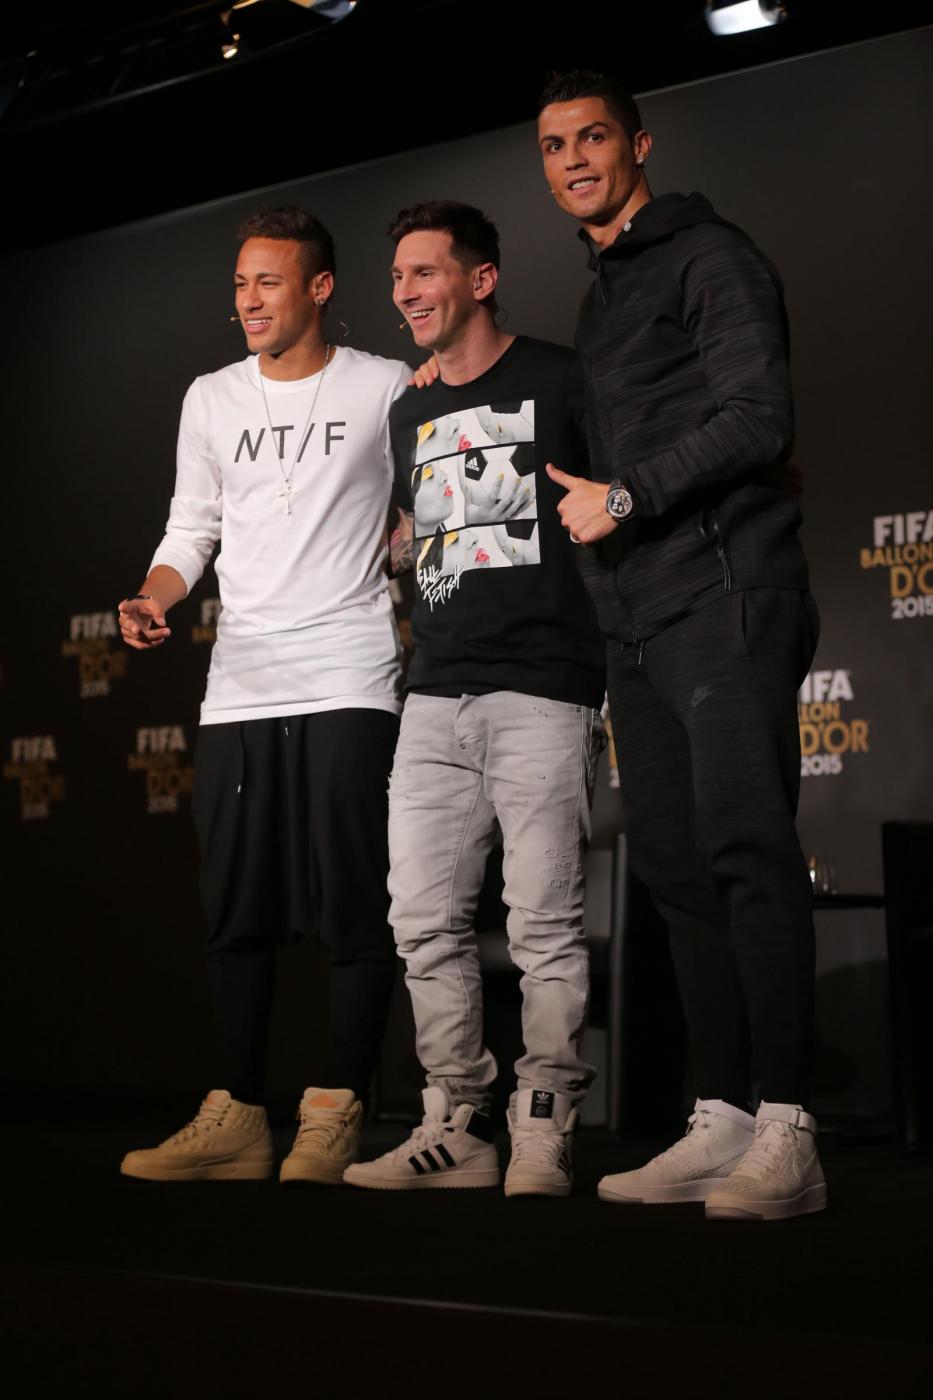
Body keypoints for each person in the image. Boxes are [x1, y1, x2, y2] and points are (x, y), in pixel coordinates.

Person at [536, 72, 826, 1220]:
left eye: (592, 137)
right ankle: (723, 1115)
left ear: (639, 143)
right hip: (639, 615)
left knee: (748, 844)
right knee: (672, 862)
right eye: (554, 146)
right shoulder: (600, 297)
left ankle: (790, 1124)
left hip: (725, 584)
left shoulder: (712, 255)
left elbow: (759, 415)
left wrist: (628, 495)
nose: (573, 160)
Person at [118, 206, 412, 1186]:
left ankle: (336, 1108)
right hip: (240, 685)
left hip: (349, 673)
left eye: (269, 282)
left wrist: (404, 541)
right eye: (241, 282)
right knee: (234, 909)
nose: (248, 300)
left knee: (355, 904)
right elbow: (190, 526)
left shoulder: (382, 384)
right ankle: (239, 1110)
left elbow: (427, 500)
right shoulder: (211, 397)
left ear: (319, 287)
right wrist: (155, 595)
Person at [343, 201, 606, 1197]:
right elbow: (424, 530)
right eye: (397, 276)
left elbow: (615, 494)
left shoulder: (562, 377)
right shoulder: (408, 409)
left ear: (481, 279)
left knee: (542, 927)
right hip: (432, 695)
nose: (405, 292)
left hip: (543, 688)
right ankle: (456, 1120)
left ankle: (545, 1120)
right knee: (421, 921)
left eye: (426, 272)